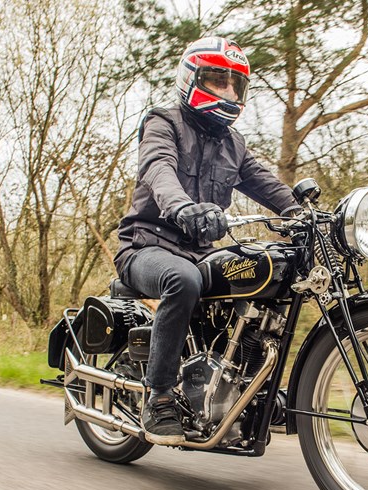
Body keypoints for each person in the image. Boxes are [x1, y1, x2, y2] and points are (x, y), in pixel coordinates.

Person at [113, 37, 302, 445]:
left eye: (236, 85)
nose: (229, 92)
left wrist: (307, 217)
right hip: (145, 246)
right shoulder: (163, 123)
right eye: (219, 81)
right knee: (183, 280)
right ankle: (158, 397)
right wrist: (182, 207)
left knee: (263, 281)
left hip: (198, 254)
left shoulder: (234, 145)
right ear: (193, 79)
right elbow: (158, 169)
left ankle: (248, 389)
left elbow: (267, 186)